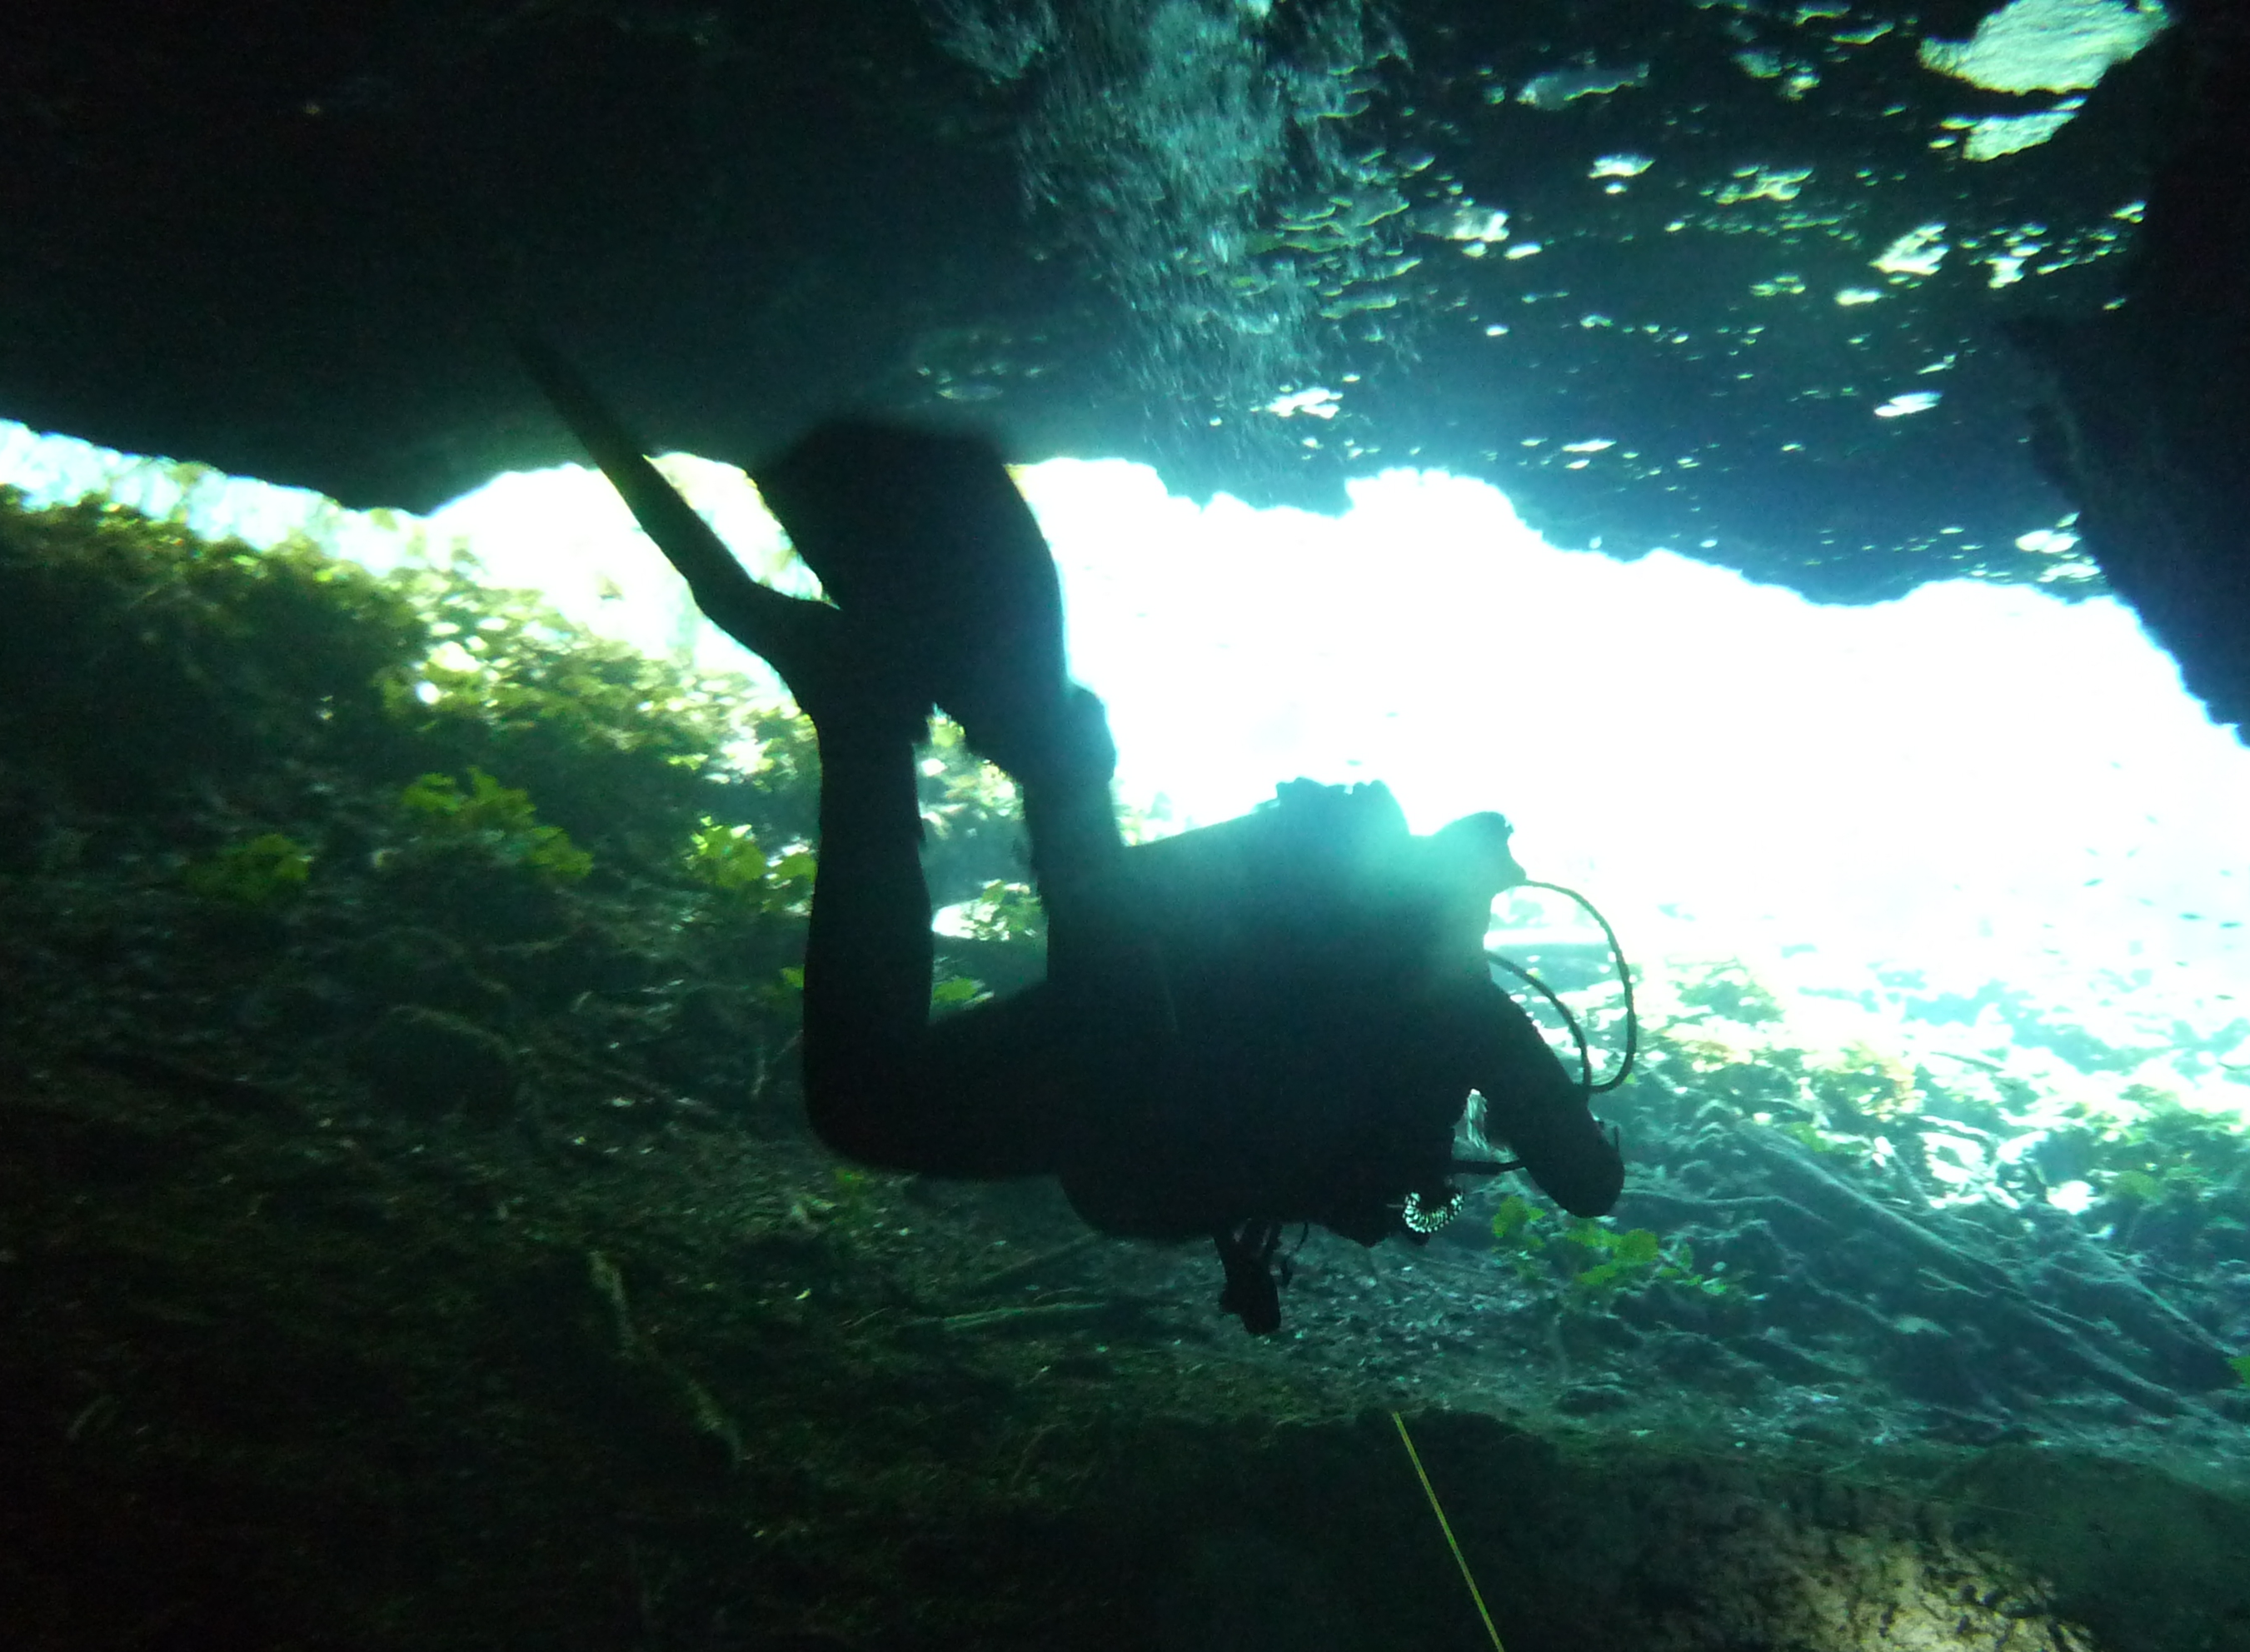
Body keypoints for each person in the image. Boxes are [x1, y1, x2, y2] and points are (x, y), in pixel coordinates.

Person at [518, 339, 1624, 1329]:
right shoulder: (1467, 1011)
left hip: (1119, 1085)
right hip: (1133, 1108)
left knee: (876, 1107)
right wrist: (1457, 1167)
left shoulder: (1379, 959)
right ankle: (1010, 763)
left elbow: (1146, 921)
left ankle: (887, 733)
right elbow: (1587, 1184)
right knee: (918, 1098)